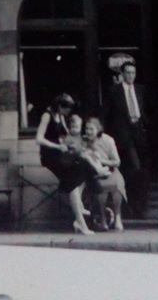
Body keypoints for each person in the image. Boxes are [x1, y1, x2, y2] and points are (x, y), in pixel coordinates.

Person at [35, 93, 96, 235]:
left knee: (85, 166)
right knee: (73, 181)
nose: (68, 113)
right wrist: (57, 146)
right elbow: (38, 139)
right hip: (50, 156)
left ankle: (78, 211)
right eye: (67, 109)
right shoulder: (47, 115)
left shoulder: (61, 116)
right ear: (60, 106)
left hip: (62, 155)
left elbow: (67, 136)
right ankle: (80, 221)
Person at [102, 59, 149, 218]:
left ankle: (138, 207)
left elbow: (145, 110)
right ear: (122, 74)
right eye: (127, 73)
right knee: (135, 169)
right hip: (123, 135)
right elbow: (105, 114)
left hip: (140, 135)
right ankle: (132, 206)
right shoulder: (114, 91)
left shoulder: (140, 89)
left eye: (133, 73)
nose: (130, 76)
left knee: (141, 171)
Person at [82, 116, 127, 231]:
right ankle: (103, 219)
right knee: (101, 187)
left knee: (117, 184)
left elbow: (117, 162)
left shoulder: (108, 140)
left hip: (110, 170)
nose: (89, 132)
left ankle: (117, 217)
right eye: (87, 129)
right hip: (94, 173)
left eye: (91, 129)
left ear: (98, 129)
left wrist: (102, 161)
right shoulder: (83, 141)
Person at [64, 114, 111, 178]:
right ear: (69, 128)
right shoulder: (68, 138)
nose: (74, 130)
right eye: (72, 127)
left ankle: (100, 168)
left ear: (80, 127)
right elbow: (71, 150)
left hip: (81, 155)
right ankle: (98, 170)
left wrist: (94, 151)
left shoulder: (81, 137)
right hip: (74, 158)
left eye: (77, 127)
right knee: (87, 156)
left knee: (94, 154)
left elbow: (87, 145)